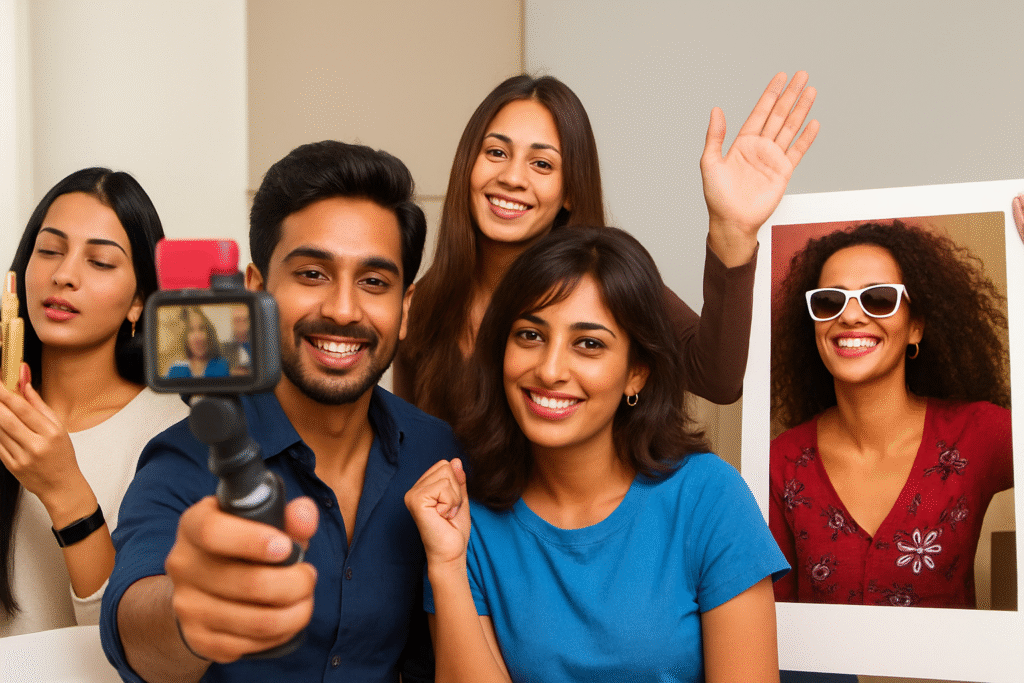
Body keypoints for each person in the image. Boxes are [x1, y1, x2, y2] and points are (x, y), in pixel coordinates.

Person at [100, 140, 456, 683]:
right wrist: (192, 612)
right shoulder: (186, 457)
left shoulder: (438, 453)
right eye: (312, 274)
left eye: (374, 282)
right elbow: (135, 626)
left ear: (405, 310)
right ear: (255, 291)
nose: (343, 309)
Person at [405, 225, 788, 682]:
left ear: (637, 373)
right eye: (530, 335)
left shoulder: (708, 497)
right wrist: (447, 567)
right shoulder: (466, 520)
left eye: (589, 344)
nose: (550, 370)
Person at [395, 72, 819, 423]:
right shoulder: (423, 304)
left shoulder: (606, 282)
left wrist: (733, 230)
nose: (512, 177)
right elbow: (408, 447)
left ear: (570, 192)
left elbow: (718, 379)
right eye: (496, 152)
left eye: (542, 163)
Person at [769, 220, 1012, 608]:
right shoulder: (780, 463)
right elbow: (772, 621)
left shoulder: (979, 433)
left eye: (879, 298)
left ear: (915, 327)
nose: (850, 316)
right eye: (830, 301)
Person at [0, 167, 188, 636]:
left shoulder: (174, 434)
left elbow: (134, 642)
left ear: (139, 301)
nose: (63, 275)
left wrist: (64, 488)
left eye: (100, 262)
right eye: (49, 251)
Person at [166, 306, 230, 378]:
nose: (197, 337)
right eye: (191, 330)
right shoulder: (175, 370)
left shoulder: (222, 368)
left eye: (201, 328)